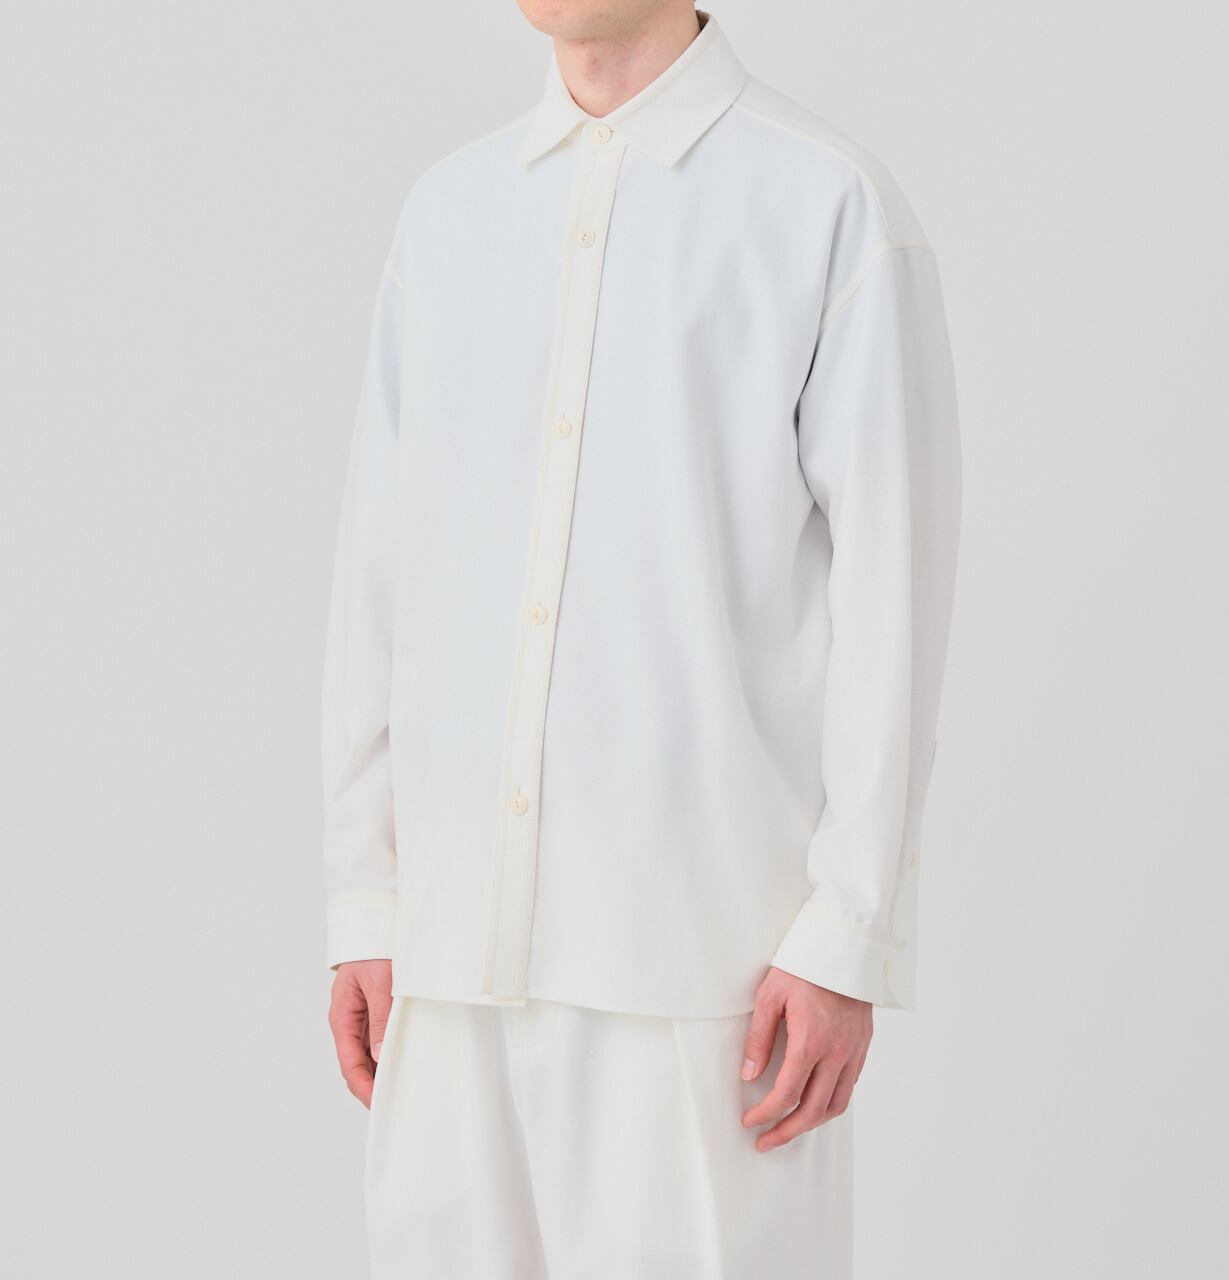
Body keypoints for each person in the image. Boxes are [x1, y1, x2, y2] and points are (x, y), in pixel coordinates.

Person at [322, 2, 961, 1275]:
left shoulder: (824, 205)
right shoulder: (447, 215)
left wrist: (846, 934)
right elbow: (379, 571)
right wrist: (367, 895)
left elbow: (893, 597)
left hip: (706, 971)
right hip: (449, 956)